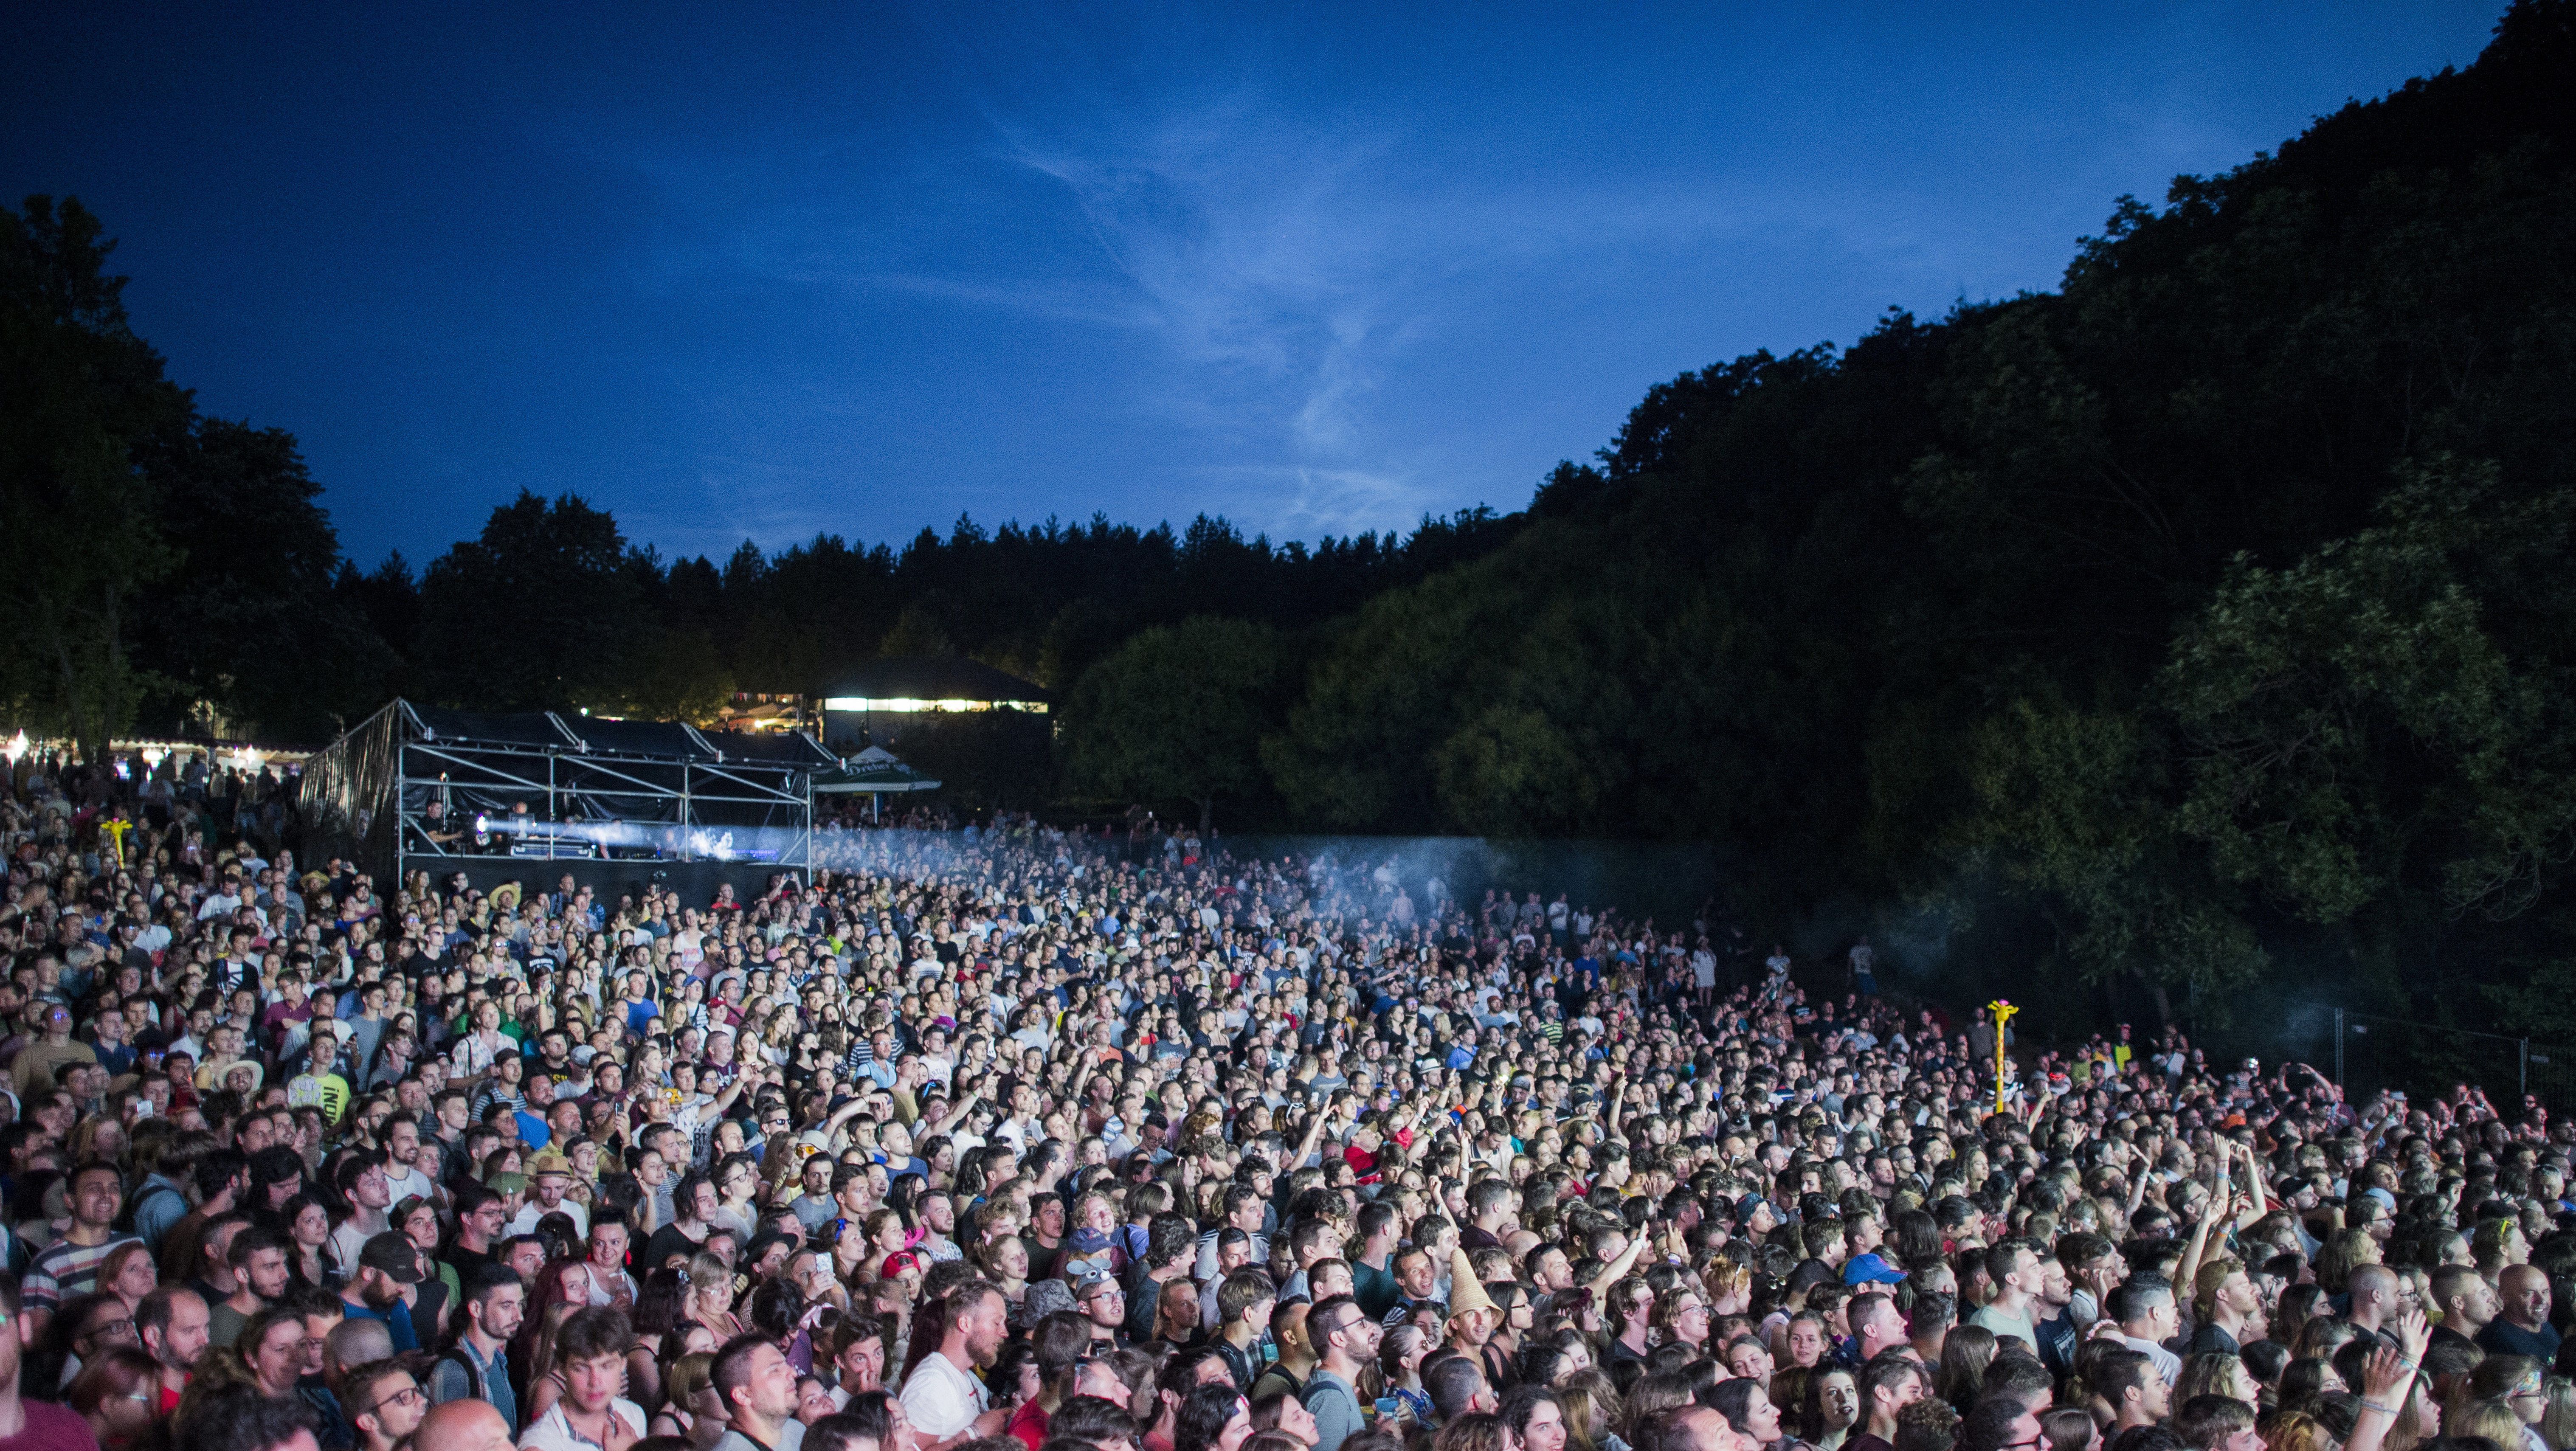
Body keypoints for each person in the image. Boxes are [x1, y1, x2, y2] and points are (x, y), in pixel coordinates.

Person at [521, 1308, 648, 1451]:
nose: (595, 1382)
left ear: (623, 1364)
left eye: (606, 1366)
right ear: (563, 1369)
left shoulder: (634, 1415)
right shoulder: (541, 1444)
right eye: (581, 1368)